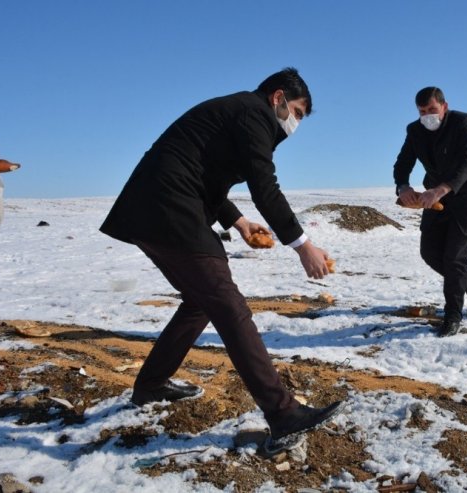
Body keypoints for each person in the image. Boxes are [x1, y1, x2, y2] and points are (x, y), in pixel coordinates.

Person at [100, 67, 343, 449]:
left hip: (158, 208)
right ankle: (282, 413)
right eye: (295, 111)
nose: (294, 123)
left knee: (201, 302)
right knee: (228, 305)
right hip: (168, 210)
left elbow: (207, 176)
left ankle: (150, 385)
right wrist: (302, 244)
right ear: (277, 97)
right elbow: (265, 185)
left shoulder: (240, 112)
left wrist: (240, 222)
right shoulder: (254, 114)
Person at [393, 87, 467, 337]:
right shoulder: (414, 131)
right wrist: (403, 186)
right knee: (430, 252)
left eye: (432, 110)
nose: (427, 116)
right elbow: (403, 162)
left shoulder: (463, 122)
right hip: (434, 200)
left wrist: (441, 189)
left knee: (454, 258)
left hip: (466, 198)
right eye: (422, 111)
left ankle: (453, 315)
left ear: (444, 106)